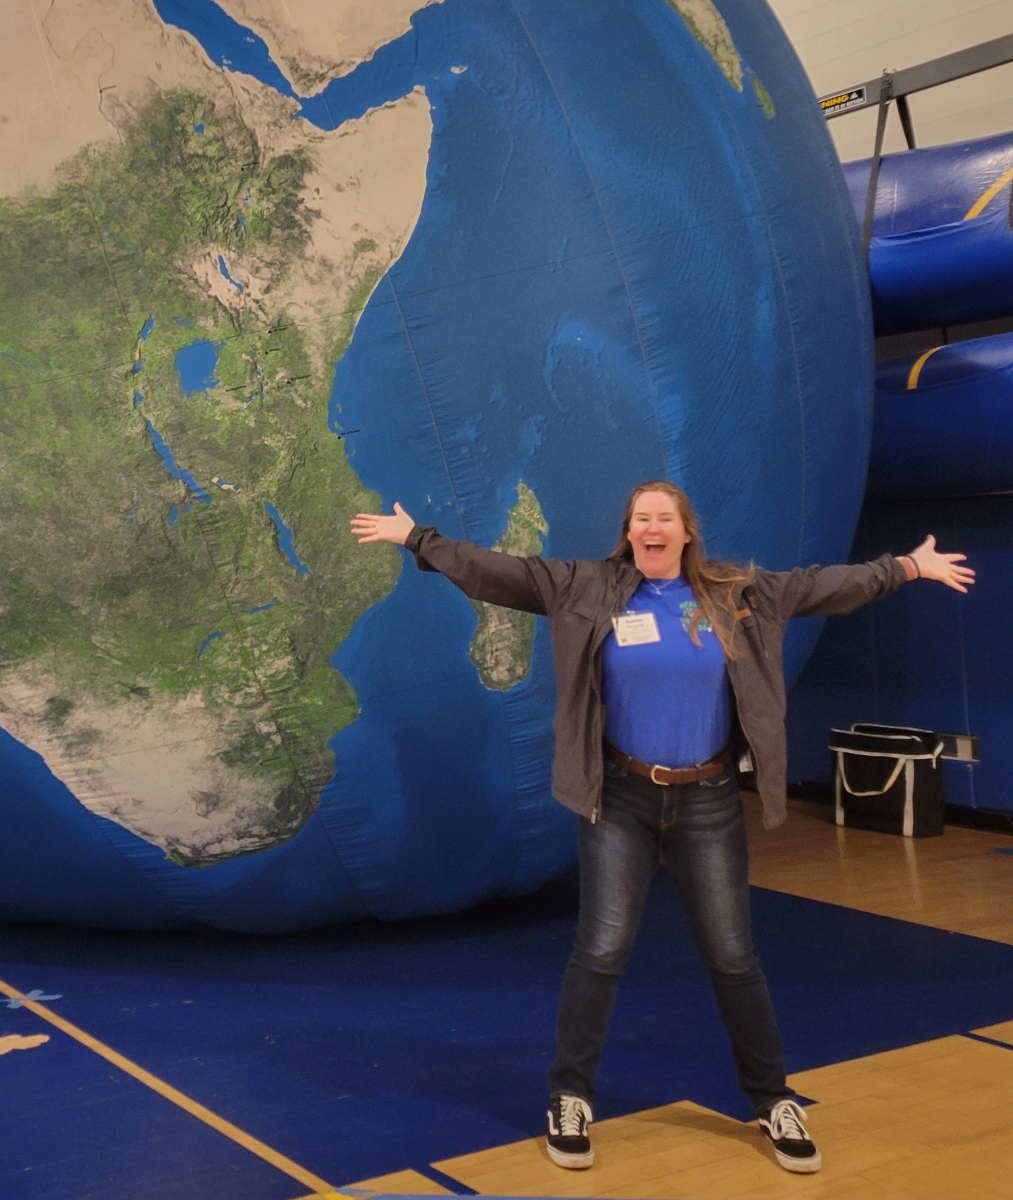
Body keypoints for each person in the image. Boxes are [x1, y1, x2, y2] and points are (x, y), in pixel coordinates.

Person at [350, 482, 974, 1175]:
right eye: (640, 518)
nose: (651, 527)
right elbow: (500, 572)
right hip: (617, 799)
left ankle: (771, 1100)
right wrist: (418, 540)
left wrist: (906, 567)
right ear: (629, 531)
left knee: (733, 957)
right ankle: (569, 1097)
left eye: (663, 518)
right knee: (601, 950)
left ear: (684, 532)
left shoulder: (735, 594)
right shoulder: (583, 587)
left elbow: (821, 586)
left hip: (705, 802)